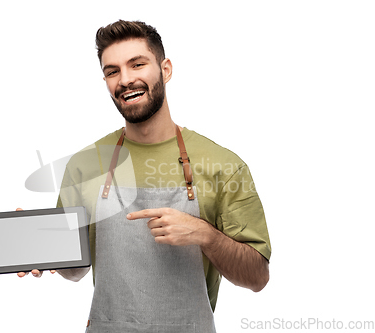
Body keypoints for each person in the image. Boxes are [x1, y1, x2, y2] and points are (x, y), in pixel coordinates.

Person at [19, 20, 271, 332]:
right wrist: (43, 251)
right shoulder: (85, 166)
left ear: (165, 69)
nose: (125, 80)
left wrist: (205, 234)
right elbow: (74, 270)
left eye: (137, 64)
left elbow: (257, 278)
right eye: (112, 71)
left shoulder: (223, 165)